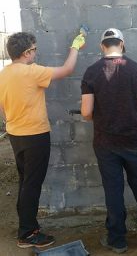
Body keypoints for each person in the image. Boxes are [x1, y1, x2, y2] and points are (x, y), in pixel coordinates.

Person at [81, 28, 137, 254]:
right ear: (122, 44)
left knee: (113, 190)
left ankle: (117, 240)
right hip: (133, 139)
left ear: (102, 46)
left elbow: (86, 112)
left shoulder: (91, 71)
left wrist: (102, 114)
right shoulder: (135, 69)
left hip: (105, 142)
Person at [0, 31, 85, 248]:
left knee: (25, 181)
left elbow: (3, 107)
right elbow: (67, 70)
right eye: (35, 49)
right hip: (34, 136)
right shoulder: (32, 72)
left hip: (15, 134)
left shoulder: (4, 74)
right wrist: (75, 46)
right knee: (32, 184)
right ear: (27, 52)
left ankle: (26, 226)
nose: (36, 53)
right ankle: (27, 234)